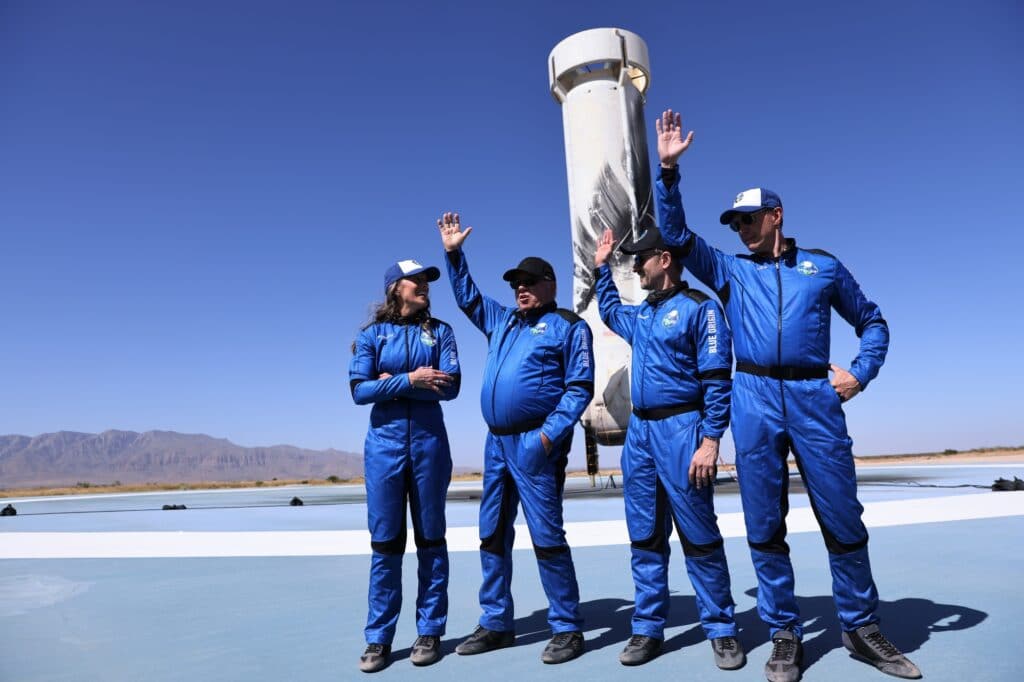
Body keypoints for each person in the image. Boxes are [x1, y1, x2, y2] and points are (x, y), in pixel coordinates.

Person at [653, 109, 921, 682]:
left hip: (812, 397)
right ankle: (783, 632)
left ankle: (859, 625)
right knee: (763, 522)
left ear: (776, 217)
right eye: (735, 223)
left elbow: (873, 321)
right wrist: (668, 173)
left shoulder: (821, 267)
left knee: (842, 516)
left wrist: (859, 373)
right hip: (751, 396)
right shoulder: (729, 271)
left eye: (750, 220)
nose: (742, 230)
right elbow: (676, 237)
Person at [437, 211, 594, 665]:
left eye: (528, 281)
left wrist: (548, 438)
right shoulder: (503, 321)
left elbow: (579, 387)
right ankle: (496, 623)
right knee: (491, 534)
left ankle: (566, 627)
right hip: (497, 445)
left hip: (534, 445)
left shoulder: (568, 326)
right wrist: (454, 254)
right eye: (515, 283)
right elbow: (468, 298)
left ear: (550, 284)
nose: (519, 289)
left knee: (546, 537)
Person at [593, 225, 746, 670]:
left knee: (699, 536)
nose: (636, 267)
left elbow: (718, 379)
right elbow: (608, 308)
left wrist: (711, 439)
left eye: (640, 259)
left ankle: (721, 628)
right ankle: (647, 629)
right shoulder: (641, 314)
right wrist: (603, 269)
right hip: (640, 434)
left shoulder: (701, 309)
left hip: (683, 431)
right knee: (645, 537)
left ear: (664, 258)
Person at [348, 259, 461, 673]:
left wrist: (389, 383)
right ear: (396, 288)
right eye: (418, 281)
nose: (425, 287)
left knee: (432, 540)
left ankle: (430, 630)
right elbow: (360, 390)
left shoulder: (442, 332)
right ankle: (378, 639)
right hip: (384, 450)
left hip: (430, 446)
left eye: (428, 281)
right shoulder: (371, 335)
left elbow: (452, 384)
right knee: (386, 545)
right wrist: (410, 380)